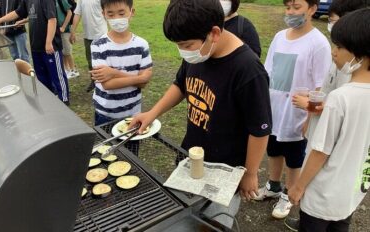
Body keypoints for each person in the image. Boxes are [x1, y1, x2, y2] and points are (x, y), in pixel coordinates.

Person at [128, 0, 272, 228]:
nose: (183, 51)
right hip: (192, 154)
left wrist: (251, 173)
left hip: (226, 170)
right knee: (185, 219)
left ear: (214, 32)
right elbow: (181, 85)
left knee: (214, 223)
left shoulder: (248, 70)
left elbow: (260, 129)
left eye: (186, 44)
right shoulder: (201, 53)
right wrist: (151, 114)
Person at [284, 0, 370, 230]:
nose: (333, 52)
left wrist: (298, 186)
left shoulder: (340, 99)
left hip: (321, 195)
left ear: (359, 53)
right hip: (349, 195)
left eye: (339, 46)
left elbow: (320, 152)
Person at [253, 0, 331, 220]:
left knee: (294, 157)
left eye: (297, 7)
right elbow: (268, 71)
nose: (290, 12)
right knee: (274, 149)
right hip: (274, 108)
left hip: (297, 113)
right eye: (288, 7)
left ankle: (289, 193)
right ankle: (273, 186)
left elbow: (320, 86)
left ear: (313, 9)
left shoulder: (318, 43)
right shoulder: (279, 36)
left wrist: (309, 114)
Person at [90, 0, 152, 126]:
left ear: (131, 12)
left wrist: (113, 72)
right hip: (105, 113)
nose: (116, 18)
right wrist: (139, 78)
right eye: (111, 14)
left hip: (133, 113)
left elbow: (143, 83)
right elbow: (107, 85)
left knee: (131, 146)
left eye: (121, 13)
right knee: (107, 146)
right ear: (103, 14)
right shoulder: (98, 45)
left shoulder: (141, 45)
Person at [0, 0, 70, 105]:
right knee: (42, 77)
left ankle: (64, 101)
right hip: (36, 46)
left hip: (50, 47)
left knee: (57, 76)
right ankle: (50, 101)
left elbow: (52, 19)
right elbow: (18, 12)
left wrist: (48, 42)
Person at [70, 0, 107, 92]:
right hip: (88, 36)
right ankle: (94, 82)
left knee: (104, 61)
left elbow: (108, 13)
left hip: (101, 35)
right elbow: (77, 14)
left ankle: (105, 82)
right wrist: (73, 31)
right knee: (91, 62)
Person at [56, 0, 79, 79]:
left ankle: (74, 70)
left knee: (67, 51)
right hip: (57, 31)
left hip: (65, 30)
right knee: (62, 52)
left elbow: (69, 13)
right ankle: (67, 69)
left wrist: (63, 27)